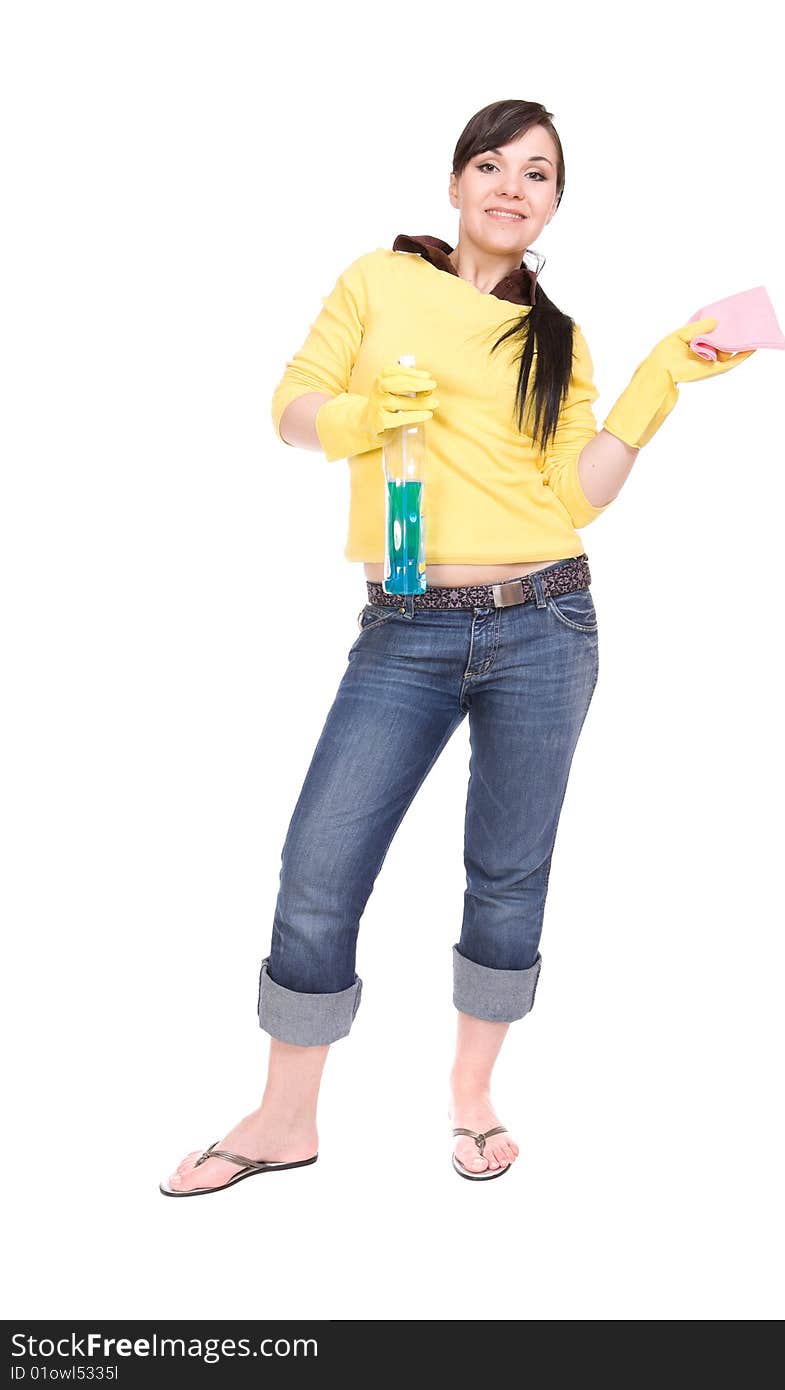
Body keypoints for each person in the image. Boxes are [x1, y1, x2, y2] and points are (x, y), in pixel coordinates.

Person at [160, 98, 752, 1196]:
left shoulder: (555, 339)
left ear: (553, 206)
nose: (511, 186)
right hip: (406, 624)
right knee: (320, 865)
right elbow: (289, 403)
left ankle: (473, 1095)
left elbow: (576, 495)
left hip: (547, 620)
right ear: (454, 183)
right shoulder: (377, 283)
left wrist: (659, 379)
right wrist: (359, 420)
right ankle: (285, 1117)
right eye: (492, 163)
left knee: (508, 873)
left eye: (537, 174)